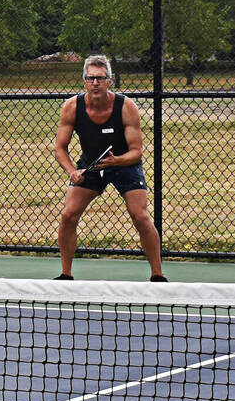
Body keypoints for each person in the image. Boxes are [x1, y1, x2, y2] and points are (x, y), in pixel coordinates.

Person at [51, 55, 166, 282]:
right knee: (68, 215)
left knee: (140, 216)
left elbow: (137, 151)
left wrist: (117, 161)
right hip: (90, 166)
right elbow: (59, 148)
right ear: (84, 81)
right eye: (91, 78)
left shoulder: (126, 107)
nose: (95, 83)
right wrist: (72, 171)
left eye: (100, 78)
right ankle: (66, 274)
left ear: (109, 81)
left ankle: (157, 275)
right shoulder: (72, 106)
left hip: (124, 164)